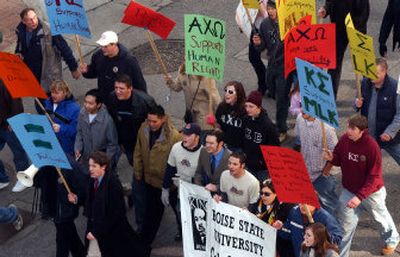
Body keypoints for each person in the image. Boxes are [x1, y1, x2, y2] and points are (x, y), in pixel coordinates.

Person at [323, 114, 399, 256]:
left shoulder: (372, 146)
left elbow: (374, 177)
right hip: (349, 190)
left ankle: (392, 239)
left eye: (352, 129)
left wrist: (360, 197)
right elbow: (339, 157)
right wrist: (332, 157)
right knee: (344, 226)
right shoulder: (345, 139)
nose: (348, 131)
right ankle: (341, 254)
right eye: (348, 127)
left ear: (362, 131)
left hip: (371, 193)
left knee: (381, 219)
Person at [106, 73, 156, 231]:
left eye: (121, 88)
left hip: (143, 148)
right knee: (137, 173)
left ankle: (142, 219)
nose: (118, 91)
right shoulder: (112, 98)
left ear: (130, 88)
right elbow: (113, 121)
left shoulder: (144, 102)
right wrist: (119, 142)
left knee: (139, 179)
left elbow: (156, 124)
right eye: (116, 88)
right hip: (127, 146)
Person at [133, 105, 181, 248]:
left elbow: (177, 162)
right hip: (150, 181)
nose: (151, 124)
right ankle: (144, 243)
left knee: (179, 211)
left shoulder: (174, 137)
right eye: (149, 121)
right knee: (152, 214)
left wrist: (171, 182)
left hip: (168, 185)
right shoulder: (143, 129)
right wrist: (138, 170)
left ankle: (183, 232)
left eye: (154, 121)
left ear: (163, 119)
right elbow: (138, 150)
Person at [84, 151, 148, 257]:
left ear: (103, 167)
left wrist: (97, 231)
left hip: (112, 233)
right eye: (89, 165)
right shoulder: (93, 180)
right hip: (99, 228)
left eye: (94, 166)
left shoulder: (112, 184)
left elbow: (116, 213)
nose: (90, 169)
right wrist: (76, 199)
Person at [36, 80, 80, 218]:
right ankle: (49, 208)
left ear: (65, 92)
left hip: (66, 148)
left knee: (65, 179)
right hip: (51, 146)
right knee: (49, 178)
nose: (53, 95)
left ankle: (68, 206)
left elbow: (77, 131)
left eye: (57, 92)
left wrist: (62, 129)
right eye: (52, 92)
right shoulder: (47, 104)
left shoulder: (74, 108)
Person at [15, 8, 80, 93]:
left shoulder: (48, 31)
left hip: (50, 73)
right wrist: (18, 53)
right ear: (24, 22)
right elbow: (20, 46)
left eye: (35, 17)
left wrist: (73, 68)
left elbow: (64, 48)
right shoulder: (21, 32)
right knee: (41, 101)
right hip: (34, 73)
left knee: (59, 97)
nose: (34, 21)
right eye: (30, 20)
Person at [252, 0, 292, 140]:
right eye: (268, 8)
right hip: (272, 64)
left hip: (286, 65)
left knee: (281, 97)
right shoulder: (265, 24)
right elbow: (262, 46)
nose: (270, 11)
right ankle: (287, 102)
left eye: (273, 9)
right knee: (271, 90)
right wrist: (257, 44)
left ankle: (281, 129)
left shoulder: (288, 22)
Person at [318, 0, 370, 97]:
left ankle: (368, 93)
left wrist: (357, 31)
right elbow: (330, 2)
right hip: (338, 27)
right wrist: (326, 9)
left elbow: (364, 10)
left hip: (356, 28)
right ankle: (331, 95)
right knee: (334, 62)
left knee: (362, 63)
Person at [161, 123, 203, 241]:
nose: (185, 137)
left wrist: (189, 181)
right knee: (180, 212)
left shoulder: (203, 152)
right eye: (184, 134)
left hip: (197, 192)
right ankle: (182, 232)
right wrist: (165, 189)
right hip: (181, 191)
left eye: (189, 135)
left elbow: (205, 178)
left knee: (197, 216)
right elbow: (170, 169)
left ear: (197, 137)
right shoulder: (176, 148)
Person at [80, 31, 147, 103]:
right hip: (106, 98)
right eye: (101, 46)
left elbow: (139, 82)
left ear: (114, 44)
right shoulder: (97, 56)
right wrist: (86, 71)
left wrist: (143, 102)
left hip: (123, 100)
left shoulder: (129, 60)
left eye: (106, 46)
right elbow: (94, 72)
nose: (102, 49)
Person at [355, 58, 400, 165]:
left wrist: (390, 132)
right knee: (369, 165)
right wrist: (356, 104)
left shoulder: (395, 88)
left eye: (376, 73)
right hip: (369, 135)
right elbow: (357, 100)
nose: (371, 76)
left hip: (389, 136)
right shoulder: (364, 83)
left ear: (385, 71)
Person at [295, 112, 338, 215]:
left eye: (305, 107)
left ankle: (329, 230)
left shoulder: (327, 129)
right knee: (306, 208)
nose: (302, 110)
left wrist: (325, 172)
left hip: (322, 176)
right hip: (305, 172)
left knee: (327, 207)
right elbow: (298, 141)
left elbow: (337, 154)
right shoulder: (299, 119)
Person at [164, 62, 221, 131]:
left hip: (204, 118)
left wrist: (219, 117)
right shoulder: (182, 71)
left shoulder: (206, 77)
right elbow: (177, 87)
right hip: (191, 115)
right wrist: (170, 81)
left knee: (202, 138)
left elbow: (215, 99)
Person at [75, 89, 119, 168]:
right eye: (85, 102)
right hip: (85, 159)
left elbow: (112, 144)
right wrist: (78, 147)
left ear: (98, 105)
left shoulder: (107, 121)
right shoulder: (82, 113)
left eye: (90, 103)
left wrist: (106, 161)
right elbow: (79, 132)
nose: (86, 105)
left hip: (100, 162)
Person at [277, 204, 343, 257]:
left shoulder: (325, 218)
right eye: (300, 202)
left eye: (307, 203)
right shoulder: (294, 212)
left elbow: (337, 239)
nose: (302, 205)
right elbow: (289, 234)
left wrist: (319, 236)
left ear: (315, 204)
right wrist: (281, 228)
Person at [242, 90, 279, 181]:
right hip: (249, 163)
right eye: (246, 106)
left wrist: (264, 162)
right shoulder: (246, 119)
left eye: (251, 106)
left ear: (259, 107)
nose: (247, 109)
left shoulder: (268, 126)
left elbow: (275, 147)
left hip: (263, 168)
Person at [0, 80, 30, 192]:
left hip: (9, 123)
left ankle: (24, 177)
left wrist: (14, 121)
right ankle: (2, 179)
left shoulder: (5, 81)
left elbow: (15, 102)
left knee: (18, 151)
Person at [253, 179, 295, 257]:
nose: (263, 196)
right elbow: (252, 215)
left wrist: (282, 227)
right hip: (262, 241)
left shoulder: (286, 207)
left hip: (281, 245)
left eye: (267, 194)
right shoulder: (259, 202)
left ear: (276, 194)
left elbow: (291, 231)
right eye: (261, 193)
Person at [194, 129, 231, 194]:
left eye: (211, 143)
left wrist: (217, 188)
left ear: (220, 143)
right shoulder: (203, 151)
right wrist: (200, 189)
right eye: (206, 142)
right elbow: (199, 172)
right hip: (204, 192)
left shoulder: (230, 158)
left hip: (221, 197)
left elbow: (232, 184)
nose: (207, 146)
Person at [215, 81, 247, 151]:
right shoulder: (222, 107)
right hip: (224, 144)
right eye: (226, 91)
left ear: (238, 95)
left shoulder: (245, 111)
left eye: (230, 92)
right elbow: (218, 124)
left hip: (239, 147)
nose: (226, 94)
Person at [246, 0, 268, 95]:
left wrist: (262, 9)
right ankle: (263, 82)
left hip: (269, 30)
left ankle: (269, 84)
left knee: (274, 61)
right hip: (256, 29)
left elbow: (271, 18)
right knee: (253, 57)